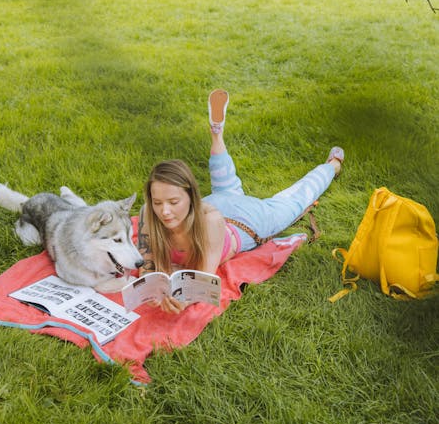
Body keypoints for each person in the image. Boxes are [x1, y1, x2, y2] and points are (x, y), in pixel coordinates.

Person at [137, 89, 344, 314]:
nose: (164, 211)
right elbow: (146, 267)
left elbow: (204, 280)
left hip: (247, 220)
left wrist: (184, 301)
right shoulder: (149, 212)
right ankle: (216, 134)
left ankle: (332, 166)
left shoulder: (209, 222)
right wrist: (149, 290)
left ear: (192, 197)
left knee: (294, 200)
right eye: (158, 202)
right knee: (225, 187)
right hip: (219, 200)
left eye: (173, 201)